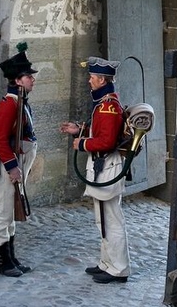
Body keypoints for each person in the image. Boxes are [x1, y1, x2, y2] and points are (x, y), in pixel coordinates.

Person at [59, 56, 130, 284]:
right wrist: (79, 129)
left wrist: (82, 143)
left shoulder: (108, 107)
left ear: (101, 79)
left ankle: (118, 269)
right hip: (103, 167)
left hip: (107, 167)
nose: (89, 81)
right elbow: (100, 131)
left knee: (111, 221)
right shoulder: (104, 105)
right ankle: (107, 263)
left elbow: (107, 141)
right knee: (104, 220)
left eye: (91, 77)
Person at [0, 42, 38, 277]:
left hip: (18, 163)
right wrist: (12, 168)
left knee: (12, 208)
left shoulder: (20, 102)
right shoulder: (9, 105)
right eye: (28, 76)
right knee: (4, 210)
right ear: (18, 81)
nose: (32, 79)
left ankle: (11, 257)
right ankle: (3, 262)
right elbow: (0, 141)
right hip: (10, 164)